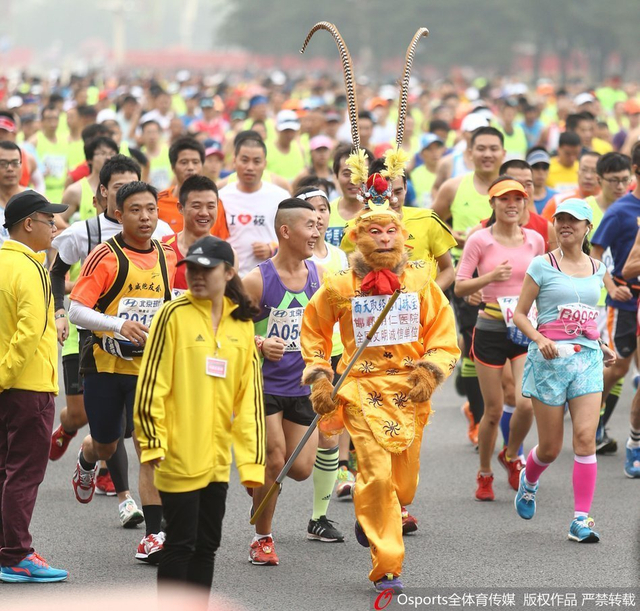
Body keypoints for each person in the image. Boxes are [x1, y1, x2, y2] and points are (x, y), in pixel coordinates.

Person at [300, 171, 460, 592]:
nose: (385, 239)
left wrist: (429, 370)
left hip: (410, 391)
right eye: (375, 231)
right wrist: (320, 376)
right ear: (356, 237)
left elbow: (443, 335)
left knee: (403, 486)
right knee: (375, 475)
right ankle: (387, 566)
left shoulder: (421, 281)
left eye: (391, 231)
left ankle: (370, 510)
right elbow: (314, 330)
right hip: (361, 388)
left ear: (403, 236)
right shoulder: (339, 285)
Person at [134, 236, 266, 593]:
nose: (196, 276)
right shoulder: (172, 315)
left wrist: (252, 463)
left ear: (228, 273)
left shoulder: (241, 324)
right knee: (180, 544)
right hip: (176, 454)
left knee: (207, 547)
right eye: (191, 268)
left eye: (206, 269)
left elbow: (250, 399)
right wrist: (152, 441)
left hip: (217, 460)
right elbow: (151, 384)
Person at [68, 181, 177, 562]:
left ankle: (153, 535)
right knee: (107, 444)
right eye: (135, 210)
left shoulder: (166, 255)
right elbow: (76, 310)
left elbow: (170, 302)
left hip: (147, 369)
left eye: (151, 209)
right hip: (104, 366)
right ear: (119, 214)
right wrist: (118, 325)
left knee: (149, 449)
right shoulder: (105, 256)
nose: (145, 217)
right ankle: (87, 456)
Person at [513, 198, 616, 542]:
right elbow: (520, 314)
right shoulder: (542, 265)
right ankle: (529, 481)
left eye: (574, 220)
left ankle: (581, 520)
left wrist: (602, 344)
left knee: (585, 438)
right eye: (561, 219)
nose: (566, 225)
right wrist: (539, 338)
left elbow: (588, 319)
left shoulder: (598, 269)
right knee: (550, 448)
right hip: (549, 361)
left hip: (586, 360)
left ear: (588, 228)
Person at [242, 198, 328, 565]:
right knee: (275, 461)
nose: (316, 231)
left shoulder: (319, 277)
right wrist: (260, 342)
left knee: (301, 468)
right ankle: (262, 539)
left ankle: (260, 478)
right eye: (309, 225)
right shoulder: (256, 280)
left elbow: (326, 328)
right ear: (285, 231)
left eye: (318, 224)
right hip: (263, 386)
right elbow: (227, 329)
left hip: (301, 386)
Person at [455, 177, 545, 500]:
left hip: (523, 329)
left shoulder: (535, 240)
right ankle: (484, 473)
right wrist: (490, 278)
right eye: (504, 199)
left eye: (518, 199)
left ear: (525, 203)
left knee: (525, 404)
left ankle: (511, 454)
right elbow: (460, 286)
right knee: (492, 411)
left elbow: (543, 283)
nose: (512, 205)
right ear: (492, 204)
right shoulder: (480, 240)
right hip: (490, 328)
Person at [0, 190, 69, 583]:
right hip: (27, 386)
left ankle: (6, 550)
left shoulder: (4, 260)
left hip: (8, 384)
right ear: (28, 224)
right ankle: (16, 555)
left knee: (4, 471)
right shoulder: (30, 266)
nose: (54, 227)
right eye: (49, 220)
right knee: (24, 474)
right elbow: (28, 332)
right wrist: (6, 376)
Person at [296, 186, 350, 531]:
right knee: (286, 449)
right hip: (295, 356)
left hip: (335, 353)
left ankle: (319, 517)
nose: (318, 215)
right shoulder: (288, 257)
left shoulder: (340, 257)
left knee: (329, 433)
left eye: (324, 208)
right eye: (310, 209)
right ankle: (263, 525)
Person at [590, 144, 640, 478]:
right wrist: (610, 286)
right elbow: (595, 254)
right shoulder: (621, 211)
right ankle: (592, 416)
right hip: (624, 301)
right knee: (618, 367)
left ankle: (634, 443)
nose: (620, 185)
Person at [219, 135, 290, 276]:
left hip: (269, 277)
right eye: (244, 160)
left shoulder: (281, 197)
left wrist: (272, 248)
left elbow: (292, 237)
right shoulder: (220, 197)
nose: (250, 167)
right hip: (229, 278)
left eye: (256, 161)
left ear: (265, 164)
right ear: (234, 161)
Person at [156, 137, 227, 238]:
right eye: (184, 162)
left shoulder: (215, 203)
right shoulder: (158, 202)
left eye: (195, 162)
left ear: (202, 165)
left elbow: (222, 240)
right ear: (172, 167)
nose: (190, 167)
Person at [163, 175, 222, 295]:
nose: (204, 213)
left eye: (210, 206)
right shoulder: (162, 248)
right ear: (180, 208)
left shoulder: (226, 253)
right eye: (196, 206)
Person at [59, 136, 119, 226]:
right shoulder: (75, 191)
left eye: (112, 154)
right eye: (102, 153)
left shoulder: (123, 188)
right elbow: (58, 223)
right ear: (90, 159)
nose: (108, 158)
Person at [0, 141, 28, 245]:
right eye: (3, 164)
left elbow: (60, 230)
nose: (10, 169)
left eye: (15, 163)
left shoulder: (35, 199)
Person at [527, 148, 557, 215]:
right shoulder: (520, 199)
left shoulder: (556, 198)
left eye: (545, 167)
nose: (541, 172)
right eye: (536, 167)